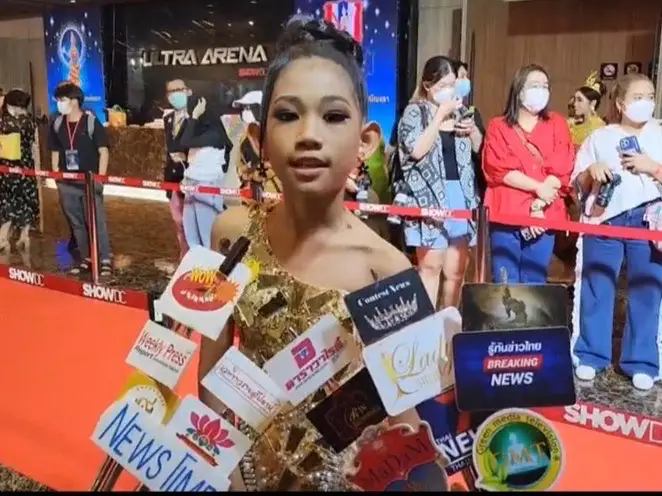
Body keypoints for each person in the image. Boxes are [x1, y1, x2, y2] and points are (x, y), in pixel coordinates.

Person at [198, 16, 435, 491]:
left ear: (365, 141)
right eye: (288, 115)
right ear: (259, 141)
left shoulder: (387, 269)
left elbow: (405, 416)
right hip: (244, 477)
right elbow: (211, 373)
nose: (309, 134)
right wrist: (223, 471)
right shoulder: (231, 234)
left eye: (333, 116)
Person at [572, 73, 662, 391]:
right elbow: (578, 183)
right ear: (621, 104)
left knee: (646, 291)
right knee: (597, 286)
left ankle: (642, 361)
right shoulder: (600, 137)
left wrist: (653, 167)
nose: (645, 103)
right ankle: (591, 355)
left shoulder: (660, 134)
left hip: (648, 221)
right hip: (606, 220)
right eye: (638, 97)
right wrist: (591, 171)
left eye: (650, 96)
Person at [397, 55, 480, 308]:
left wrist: (473, 132)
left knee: (456, 272)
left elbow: (479, 149)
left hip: (461, 196)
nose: (449, 90)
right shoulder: (415, 112)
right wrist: (439, 116)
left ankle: (449, 324)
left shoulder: (462, 112)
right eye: (443, 85)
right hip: (429, 197)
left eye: (452, 84)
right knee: (430, 268)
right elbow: (416, 151)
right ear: (427, 85)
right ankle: (427, 327)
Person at [482, 64, 574, 283]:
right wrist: (538, 188)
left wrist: (538, 206)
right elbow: (497, 168)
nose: (541, 90)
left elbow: (563, 164)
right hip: (507, 212)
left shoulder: (557, 123)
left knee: (535, 282)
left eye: (545, 86)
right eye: (535, 85)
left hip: (545, 212)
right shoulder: (498, 126)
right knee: (505, 281)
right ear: (519, 90)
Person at [48, 82, 113, 277]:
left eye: (62, 99)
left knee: (96, 221)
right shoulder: (57, 123)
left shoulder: (91, 122)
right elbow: (54, 150)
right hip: (66, 183)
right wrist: (56, 174)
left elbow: (103, 151)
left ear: (74, 101)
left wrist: (99, 179)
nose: (59, 103)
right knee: (76, 223)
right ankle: (86, 258)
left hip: (89, 182)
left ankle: (104, 259)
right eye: (58, 100)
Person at [180, 94, 233, 249]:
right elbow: (180, 142)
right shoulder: (197, 131)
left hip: (207, 185)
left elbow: (185, 141)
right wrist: (193, 118)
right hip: (191, 183)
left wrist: (194, 116)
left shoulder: (214, 135)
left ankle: (212, 264)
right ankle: (198, 263)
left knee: (208, 236)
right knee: (191, 236)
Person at [0, 90, 38, 251]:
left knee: (7, 201)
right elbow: (33, 146)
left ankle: (3, 238)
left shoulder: (5, 122)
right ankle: (24, 235)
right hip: (26, 167)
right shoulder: (30, 122)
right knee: (26, 201)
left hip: (7, 167)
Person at [163, 78, 191, 259]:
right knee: (178, 221)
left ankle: (195, 257)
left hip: (191, 177)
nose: (175, 94)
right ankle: (183, 254)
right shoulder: (167, 119)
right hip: (172, 177)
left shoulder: (196, 117)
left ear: (187, 91)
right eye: (171, 91)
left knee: (192, 222)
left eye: (179, 90)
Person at [455, 60, 487, 199]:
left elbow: (482, 150)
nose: (466, 81)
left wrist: (473, 132)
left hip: (470, 183)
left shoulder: (471, 112)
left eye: (466, 77)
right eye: (461, 76)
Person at [568, 71, 607, 148]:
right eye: (575, 100)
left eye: (579, 100)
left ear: (592, 103)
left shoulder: (598, 128)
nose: (575, 104)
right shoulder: (572, 124)